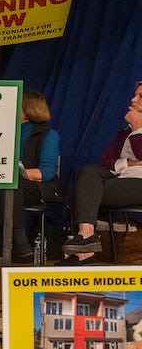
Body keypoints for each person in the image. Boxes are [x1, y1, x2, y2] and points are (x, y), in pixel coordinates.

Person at [0, 89, 61, 261]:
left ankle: (7, 242)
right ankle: (11, 243)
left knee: (9, 180)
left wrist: (16, 173)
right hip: (10, 186)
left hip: (38, 187)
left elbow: (47, 172)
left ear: (28, 110)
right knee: (3, 180)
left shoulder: (48, 135)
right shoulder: (4, 134)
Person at [63, 80, 142, 263]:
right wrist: (131, 164)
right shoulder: (125, 132)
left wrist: (138, 129)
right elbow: (106, 161)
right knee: (89, 172)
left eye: (140, 96)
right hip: (121, 178)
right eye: (135, 94)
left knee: (84, 191)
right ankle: (86, 237)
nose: (133, 99)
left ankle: (84, 251)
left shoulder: (134, 129)